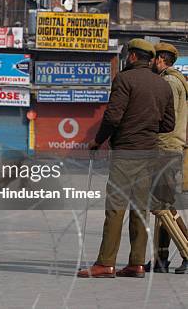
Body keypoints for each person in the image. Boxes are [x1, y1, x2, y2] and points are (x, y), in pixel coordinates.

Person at [78, 39, 175, 278]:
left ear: (132, 56)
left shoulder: (124, 79)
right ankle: (137, 263)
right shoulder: (162, 85)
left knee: (115, 208)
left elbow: (112, 117)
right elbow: (168, 124)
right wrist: (147, 130)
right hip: (149, 152)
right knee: (139, 209)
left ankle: (105, 263)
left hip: (126, 152)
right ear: (150, 59)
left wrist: (97, 141)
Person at [147, 42, 188, 274]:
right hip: (168, 148)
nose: (150, 63)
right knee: (163, 205)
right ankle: (161, 259)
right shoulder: (174, 80)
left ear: (161, 59)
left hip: (165, 148)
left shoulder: (169, 83)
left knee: (162, 206)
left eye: (153, 59)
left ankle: (186, 251)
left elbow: (165, 118)